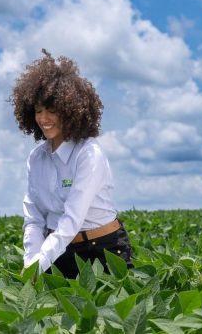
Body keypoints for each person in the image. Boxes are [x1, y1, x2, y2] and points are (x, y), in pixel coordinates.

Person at [9, 50, 134, 279]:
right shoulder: (36, 158)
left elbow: (71, 220)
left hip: (102, 250)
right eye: (38, 111)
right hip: (57, 252)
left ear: (70, 110)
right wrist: (31, 260)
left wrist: (39, 264)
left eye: (52, 111)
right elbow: (34, 217)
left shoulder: (89, 154)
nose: (43, 119)